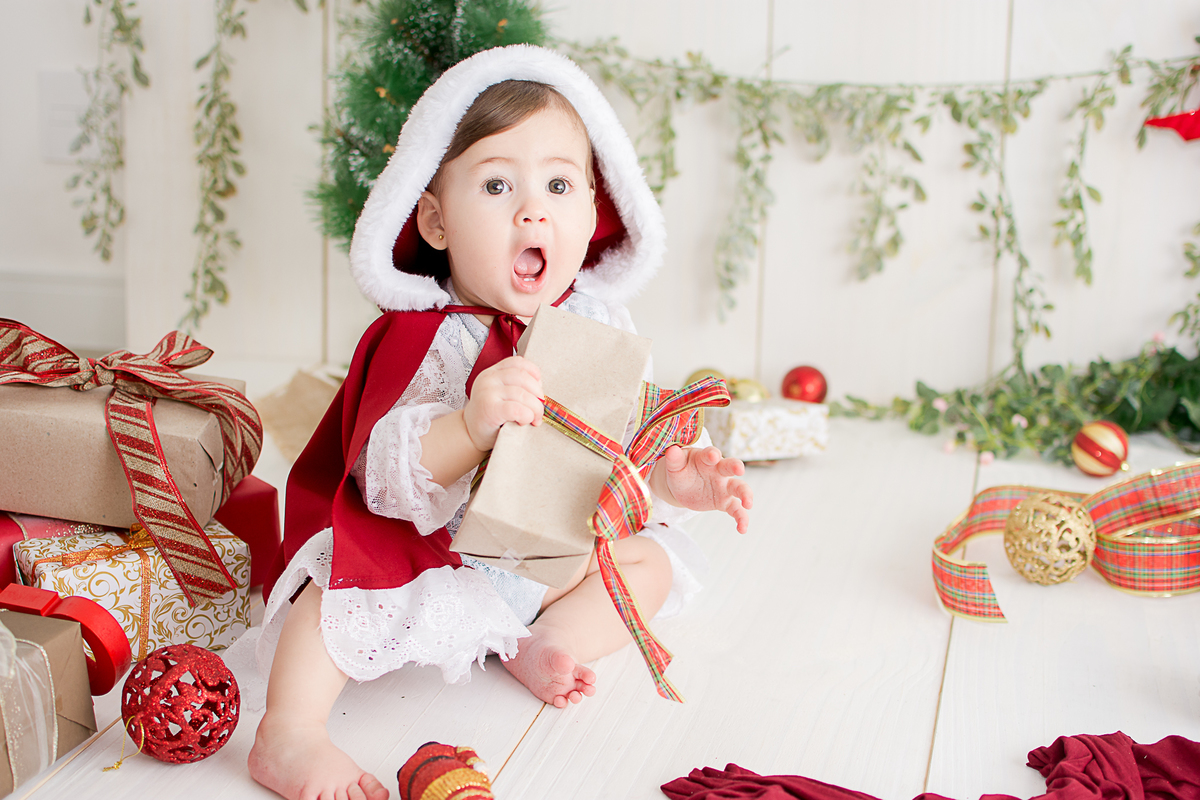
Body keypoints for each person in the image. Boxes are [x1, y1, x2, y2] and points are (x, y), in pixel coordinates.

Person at [247, 45, 754, 800]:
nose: (531, 209)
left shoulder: (598, 325)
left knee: (646, 564)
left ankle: (545, 640)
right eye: (495, 184)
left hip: (541, 562)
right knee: (327, 598)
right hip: (431, 557)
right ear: (435, 220)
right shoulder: (424, 335)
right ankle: (287, 734)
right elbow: (383, 477)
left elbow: (620, 444)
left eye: (557, 184)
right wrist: (469, 426)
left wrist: (673, 477)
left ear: (592, 210)